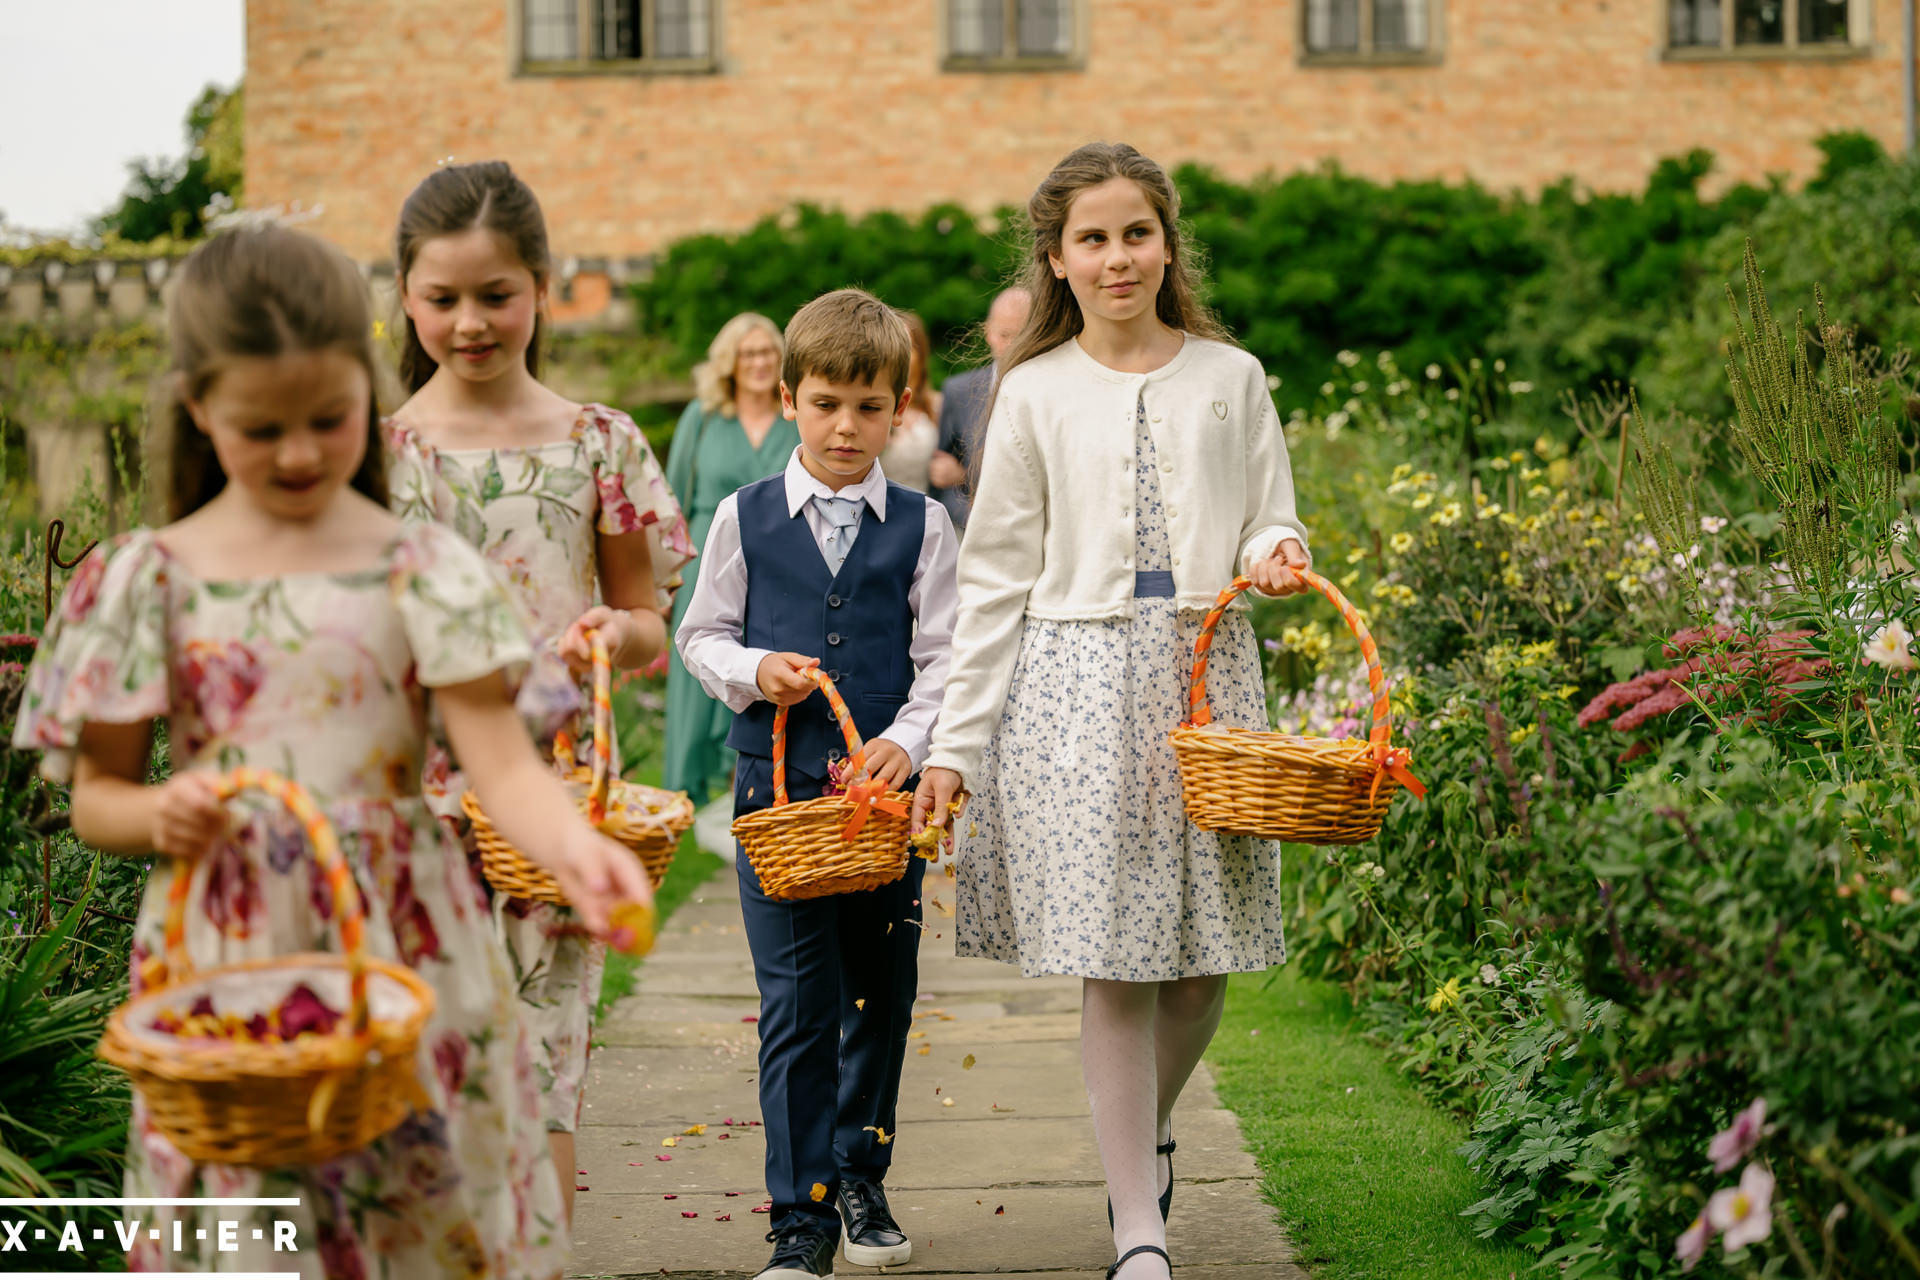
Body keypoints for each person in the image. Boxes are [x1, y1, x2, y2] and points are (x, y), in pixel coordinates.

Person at [10, 226, 653, 1277]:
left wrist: (581, 854)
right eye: (262, 428)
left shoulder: (417, 566)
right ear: (197, 410)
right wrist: (153, 814)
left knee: (421, 1219)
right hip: (235, 952)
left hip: (413, 949)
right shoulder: (151, 577)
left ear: (366, 393)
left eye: (328, 418)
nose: (302, 452)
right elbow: (98, 796)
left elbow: (502, 763)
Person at [909, 143, 1313, 1280]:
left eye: (1136, 232)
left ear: (1167, 243)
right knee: (1117, 961)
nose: (1117, 255)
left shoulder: (1231, 375)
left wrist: (1277, 549)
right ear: (1057, 257)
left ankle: (1149, 1126)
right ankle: (1139, 1221)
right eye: (1092, 237)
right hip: (1075, 686)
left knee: (1198, 969)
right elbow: (992, 582)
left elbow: (1270, 516)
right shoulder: (1031, 392)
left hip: (1205, 673)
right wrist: (957, 747)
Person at [381, 160, 693, 1223]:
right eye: (444, 298)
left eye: (495, 295)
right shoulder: (381, 460)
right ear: (407, 299)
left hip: (556, 809)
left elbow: (649, 622)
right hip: (417, 811)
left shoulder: (597, 443)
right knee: (424, 1081)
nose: (471, 321)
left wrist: (621, 626)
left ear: (543, 288)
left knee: (544, 1077)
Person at [677, 289, 959, 1280]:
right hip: (779, 805)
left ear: (900, 406)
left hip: (879, 811)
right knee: (797, 1002)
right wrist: (758, 671)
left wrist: (912, 741)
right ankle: (799, 1213)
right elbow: (699, 635)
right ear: (791, 395)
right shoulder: (742, 516)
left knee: (879, 992)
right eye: (828, 402)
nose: (847, 427)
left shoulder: (922, 526)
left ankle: (859, 1173)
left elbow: (945, 658)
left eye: (869, 407)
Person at [663, 313, 798, 807]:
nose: (760, 362)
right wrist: (666, 579)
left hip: (775, 564)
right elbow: (672, 501)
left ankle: (755, 795)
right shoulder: (702, 417)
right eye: (749, 353)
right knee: (698, 672)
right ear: (729, 363)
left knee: (761, 671)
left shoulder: (795, 416)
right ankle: (687, 800)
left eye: (768, 352)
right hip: (704, 564)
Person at [929, 285, 1030, 530]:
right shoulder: (958, 391)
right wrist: (973, 517)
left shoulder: (1055, 391)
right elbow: (939, 479)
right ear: (988, 332)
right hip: (969, 529)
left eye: (1022, 336)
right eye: (1005, 335)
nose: (1012, 347)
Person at [875, 310, 941, 492]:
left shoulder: (938, 406)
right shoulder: (867, 407)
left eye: (907, 346)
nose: (898, 356)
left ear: (921, 354)